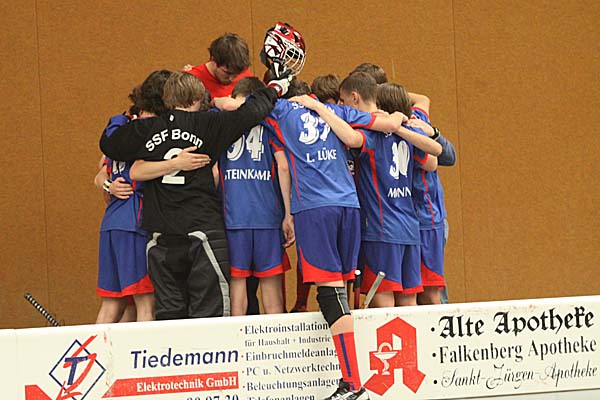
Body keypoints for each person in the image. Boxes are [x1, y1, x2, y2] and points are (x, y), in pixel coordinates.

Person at [263, 72, 410, 398]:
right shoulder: (337, 110)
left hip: (314, 209)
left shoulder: (280, 111)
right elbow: (387, 123)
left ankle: (352, 383)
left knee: (330, 295)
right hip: (349, 206)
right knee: (340, 290)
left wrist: (287, 213)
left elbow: (239, 107)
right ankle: (351, 380)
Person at [99, 71, 289, 320]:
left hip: (161, 232)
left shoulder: (147, 128)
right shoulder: (209, 124)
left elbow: (109, 143)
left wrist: (118, 120)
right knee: (209, 312)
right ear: (197, 99)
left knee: (169, 314)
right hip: (201, 229)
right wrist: (275, 89)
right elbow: (252, 112)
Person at [94, 70, 173, 323]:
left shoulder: (119, 127)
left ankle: (96, 350)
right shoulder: (149, 134)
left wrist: (108, 184)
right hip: (133, 223)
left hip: (111, 222)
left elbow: (100, 171)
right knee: (146, 302)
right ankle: (143, 350)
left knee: (114, 303)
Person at [217, 77, 294, 315]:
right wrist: (288, 213)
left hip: (234, 217)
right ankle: (278, 338)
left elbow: (214, 172)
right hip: (267, 217)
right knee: (272, 292)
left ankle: (236, 337)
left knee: (238, 285)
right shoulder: (269, 122)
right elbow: (283, 167)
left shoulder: (222, 122)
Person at [184, 33, 253, 99]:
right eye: (227, 73)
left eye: (236, 74)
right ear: (213, 60)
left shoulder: (245, 76)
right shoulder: (192, 81)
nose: (232, 79)